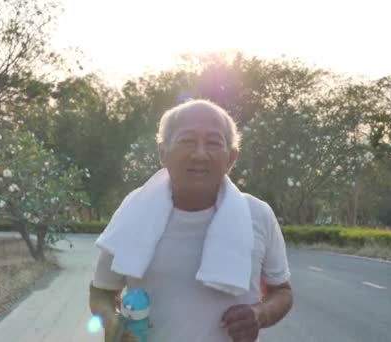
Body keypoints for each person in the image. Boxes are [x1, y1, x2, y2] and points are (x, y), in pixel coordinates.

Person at [89, 99, 293, 342]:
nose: (200, 154)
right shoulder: (134, 210)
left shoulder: (258, 214)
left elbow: (282, 292)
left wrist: (259, 315)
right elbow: (101, 292)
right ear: (163, 153)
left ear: (231, 158)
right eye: (187, 140)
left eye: (214, 142)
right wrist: (114, 326)